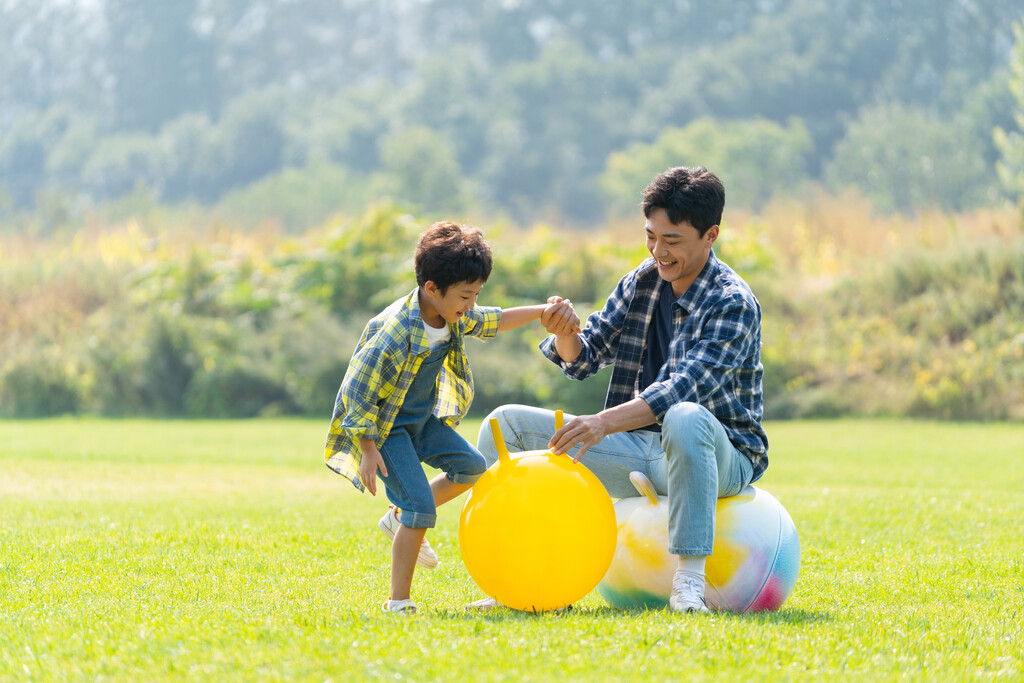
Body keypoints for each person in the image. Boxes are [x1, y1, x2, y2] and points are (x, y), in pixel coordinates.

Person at [474, 166, 768, 614]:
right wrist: (564, 332)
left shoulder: (732, 302)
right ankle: (520, 584)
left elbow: (682, 389)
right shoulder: (643, 280)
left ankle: (688, 585)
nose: (657, 251)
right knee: (505, 426)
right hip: (638, 449)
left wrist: (599, 424)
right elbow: (585, 355)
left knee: (686, 417)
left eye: (672, 240)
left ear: (711, 235)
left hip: (718, 454)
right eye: (651, 236)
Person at [324, 221, 578, 615]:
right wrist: (368, 448)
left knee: (473, 467)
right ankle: (399, 601)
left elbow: (495, 319)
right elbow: (356, 391)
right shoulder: (396, 332)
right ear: (431, 289)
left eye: (475, 295)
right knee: (422, 509)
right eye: (465, 296)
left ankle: (398, 516)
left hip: (422, 423)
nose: (471, 305)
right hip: (388, 431)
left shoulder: (453, 314)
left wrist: (543, 312)